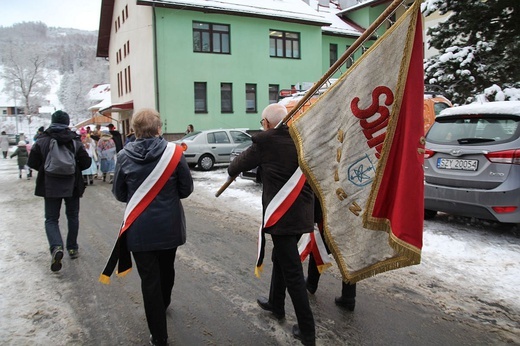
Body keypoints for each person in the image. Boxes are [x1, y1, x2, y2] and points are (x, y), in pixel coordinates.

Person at [228, 103, 316, 346]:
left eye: (262, 121)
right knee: (282, 259)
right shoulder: (301, 137)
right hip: (301, 215)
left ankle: (308, 331)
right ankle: (276, 303)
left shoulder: (265, 141)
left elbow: (237, 165)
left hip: (282, 216)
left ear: (266, 122)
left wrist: (231, 169)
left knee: (293, 273)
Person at [112, 108, 193, 346]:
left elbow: (119, 193)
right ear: (159, 129)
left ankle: (159, 336)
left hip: (139, 230)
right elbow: (186, 189)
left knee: (149, 280)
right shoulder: (174, 154)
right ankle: (164, 303)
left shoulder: (123, 156)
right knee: (166, 269)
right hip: (169, 227)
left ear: (134, 130)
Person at [27, 110, 91, 272]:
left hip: (50, 185)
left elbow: (32, 161)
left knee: (51, 219)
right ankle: (72, 248)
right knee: (72, 216)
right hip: (72, 185)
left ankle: (56, 247)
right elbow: (85, 163)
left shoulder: (42, 140)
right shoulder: (75, 140)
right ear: (67, 122)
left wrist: (45, 168)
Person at [305, 198, 357, 311]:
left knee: (320, 245)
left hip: (333, 208)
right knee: (348, 253)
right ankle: (349, 296)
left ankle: (311, 283)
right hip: (352, 211)